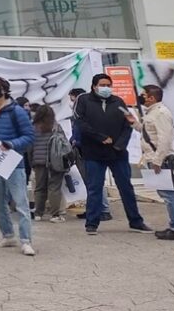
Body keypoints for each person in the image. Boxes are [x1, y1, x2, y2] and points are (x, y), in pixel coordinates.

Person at [74, 73, 152, 236]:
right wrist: (100, 137)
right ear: (94, 86)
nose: (106, 88)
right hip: (94, 153)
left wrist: (119, 144)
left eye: (108, 85)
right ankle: (92, 223)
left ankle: (136, 221)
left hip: (118, 153)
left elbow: (129, 123)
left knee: (126, 188)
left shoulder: (119, 102)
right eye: (102, 85)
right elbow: (81, 123)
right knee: (95, 188)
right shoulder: (84, 101)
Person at [0, 77, 36, 256]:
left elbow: (29, 136)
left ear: (5, 90)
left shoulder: (17, 111)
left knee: (20, 202)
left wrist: (11, 144)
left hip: (14, 162)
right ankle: (8, 235)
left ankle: (26, 241)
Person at [131, 85, 174, 240]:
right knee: (165, 193)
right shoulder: (153, 112)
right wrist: (134, 124)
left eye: (144, 95)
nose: (141, 97)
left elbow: (165, 139)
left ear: (151, 98)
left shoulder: (160, 113)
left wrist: (157, 160)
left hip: (160, 160)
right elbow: (149, 133)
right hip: (153, 158)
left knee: (169, 195)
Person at [69, 88, 112, 222]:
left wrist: (78, 141)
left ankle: (104, 209)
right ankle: (92, 209)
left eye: (72, 100)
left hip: (90, 151)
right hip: (81, 150)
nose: (72, 103)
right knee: (89, 182)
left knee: (95, 181)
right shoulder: (79, 114)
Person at [30, 104, 67, 223]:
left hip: (38, 162)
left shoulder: (33, 127)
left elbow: (29, 147)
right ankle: (55, 215)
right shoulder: (56, 127)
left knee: (40, 188)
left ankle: (38, 213)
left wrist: (32, 161)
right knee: (54, 188)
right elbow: (64, 145)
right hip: (55, 162)